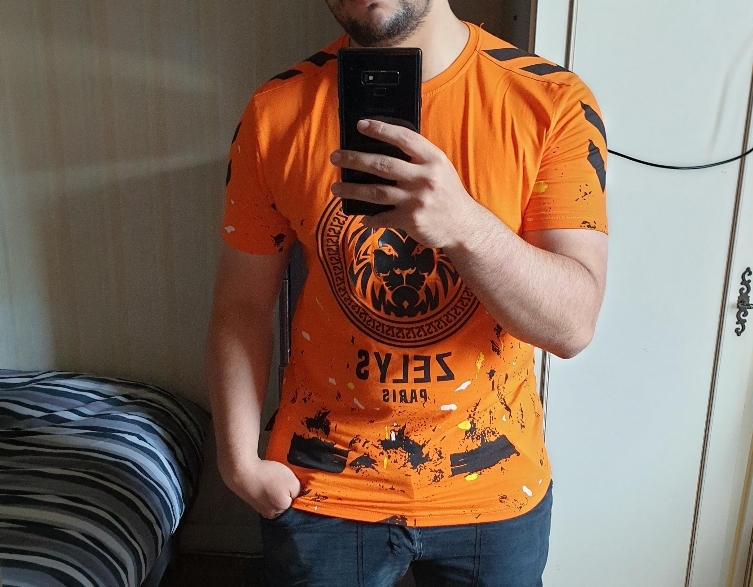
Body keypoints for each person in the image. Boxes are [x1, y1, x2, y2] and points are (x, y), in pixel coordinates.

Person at [205, 0, 608, 585]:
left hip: (494, 482)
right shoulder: (277, 113)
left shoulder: (550, 102)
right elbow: (241, 306)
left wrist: (465, 226)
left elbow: (571, 327)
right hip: (322, 484)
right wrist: (238, 461)